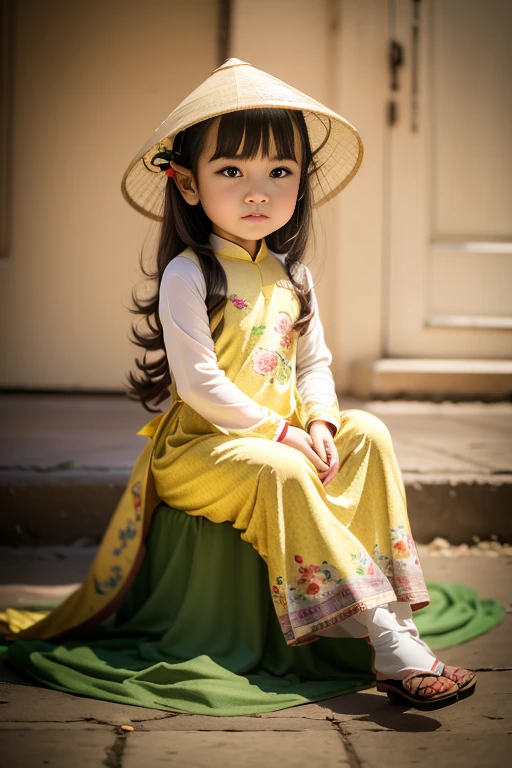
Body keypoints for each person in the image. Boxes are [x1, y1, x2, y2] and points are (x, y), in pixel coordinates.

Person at [1, 58, 476, 711]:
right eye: (232, 171)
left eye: (279, 172)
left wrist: (317, 423)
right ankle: (388, 641)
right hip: (204, 450)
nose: (258, 192)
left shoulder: (293, 276)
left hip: (280, 435)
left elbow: (314, 364)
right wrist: (281, 433)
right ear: (189, 186)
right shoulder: (189, 275)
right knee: (280, 470)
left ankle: (400, 617)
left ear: (301, 184)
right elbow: (198, 384)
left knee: (369, 431)